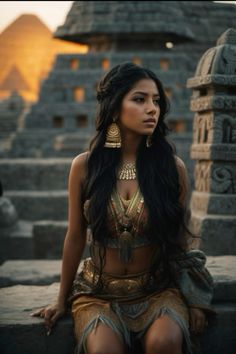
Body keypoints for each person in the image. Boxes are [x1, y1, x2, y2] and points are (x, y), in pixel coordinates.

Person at [31, 62, 215, 354]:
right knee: (104, 351)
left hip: (157, 290)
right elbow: (75, 236)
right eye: (140, 99)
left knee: (164, 343)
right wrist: (60, 299)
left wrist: (194, 299)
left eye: (156, 101)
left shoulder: (171, 169)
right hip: (99, 292)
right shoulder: (84, 167)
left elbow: (181, 238)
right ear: (115, 108)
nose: (152, 108)